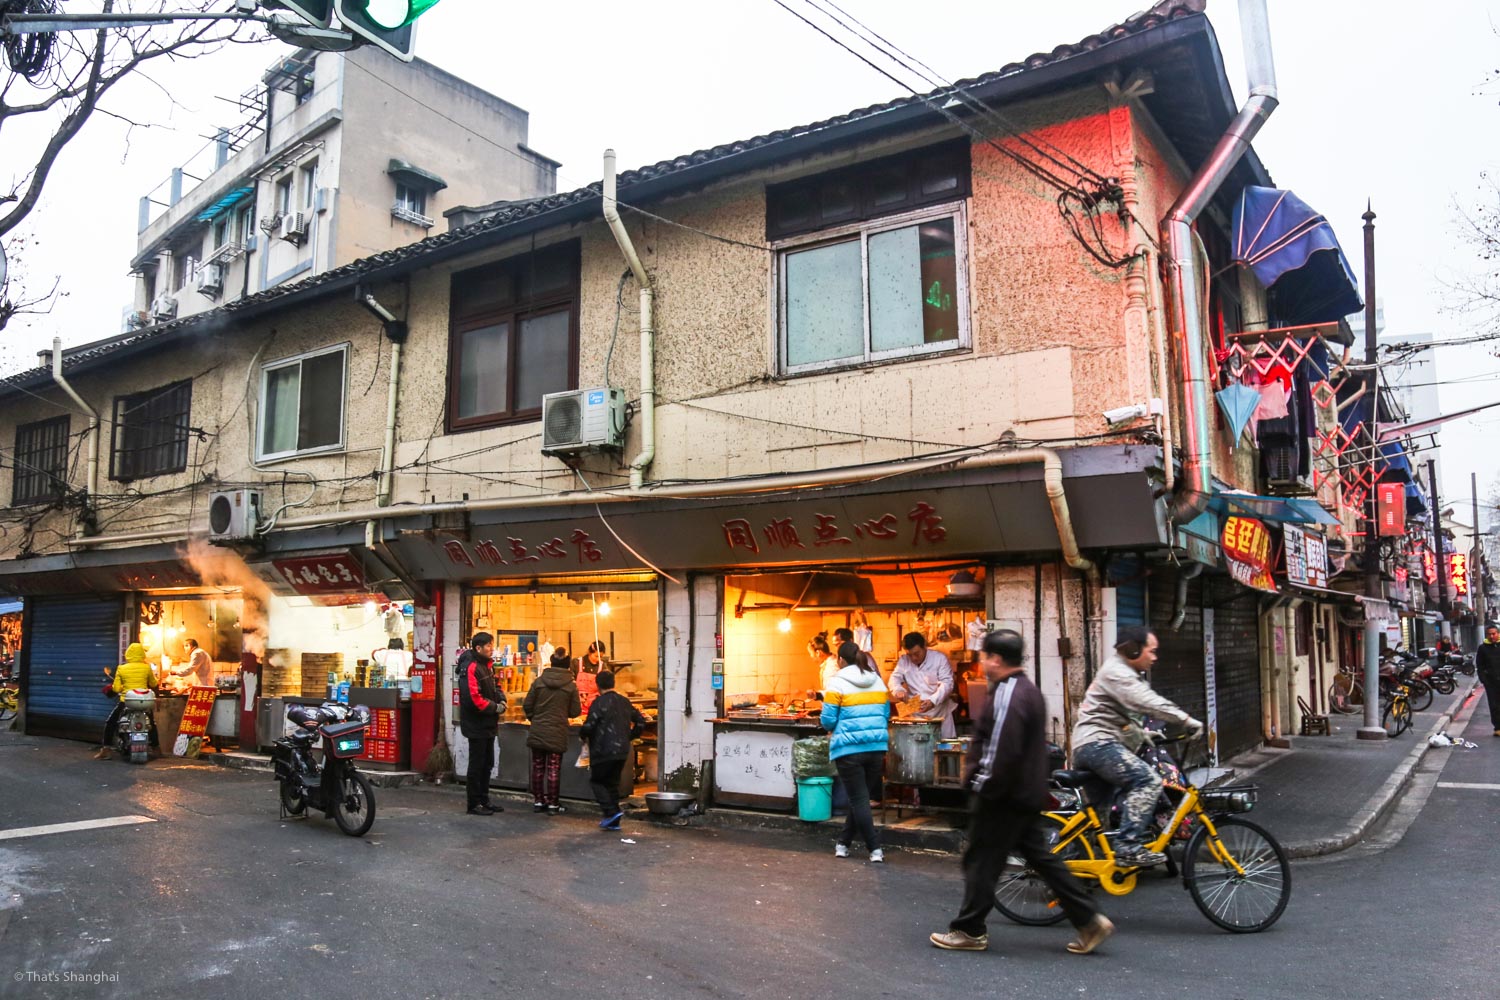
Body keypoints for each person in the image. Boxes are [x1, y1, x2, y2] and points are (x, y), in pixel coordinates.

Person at [930, 630, 1112, 955]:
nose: (982, 662)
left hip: (1002, 796)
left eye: (984, 656)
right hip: (1025, 792)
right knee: (1041, 859)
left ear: (996, 659)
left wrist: (977, 784)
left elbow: (1001, 750)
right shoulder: (1028, 690)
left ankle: (969, 930)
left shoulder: (1007, 693)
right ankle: (1089, 920)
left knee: (982, 861)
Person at [1070, 626, 1203, 867]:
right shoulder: (1118, 673)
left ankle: (1072, 869)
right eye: (1151, 651)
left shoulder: (1121, 672)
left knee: (1097, 818)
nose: (1155, 657)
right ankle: (1128, 848)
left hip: (1090, 745)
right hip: (1098, 744)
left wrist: (1142, 734)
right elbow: (1147, 701)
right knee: (1148, 781)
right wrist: (1185, 719)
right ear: (1133, 650)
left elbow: (1116, 714)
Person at [820, 640, 890, 862]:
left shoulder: (837, 683)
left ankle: (875, 848)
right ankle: (843, 843)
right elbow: (886, 713)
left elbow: (828, 721)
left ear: (840, 660)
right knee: (860, 798)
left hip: (849, 749)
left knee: (859, 799)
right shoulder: (877, 681)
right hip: (876, 747)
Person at [579, 669, 647, 830]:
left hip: (602, 749)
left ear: (598, 685)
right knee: (612, 783)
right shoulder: (624, 701)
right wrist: (629, 736)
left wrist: (582, 735)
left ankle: (610, 812)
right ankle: (614, 819)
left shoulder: (599, 703)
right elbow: (641, 721)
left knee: (597, 781)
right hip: (622, 750)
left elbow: (589, 725)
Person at [525, 647, 582, 814]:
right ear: (567, 665)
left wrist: (534, 719)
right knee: (553, 767)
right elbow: (575, 712)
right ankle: (552, 804)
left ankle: (538, 801)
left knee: (537, 766)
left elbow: (527, 705)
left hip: (538, 729)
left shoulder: (538, 681)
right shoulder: (571, 686)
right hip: (557, 730)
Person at [456, 632, 506, 816]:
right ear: (478, 648)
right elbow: (473, 699)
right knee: (477, 765)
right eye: (488, 646)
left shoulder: (487, 665)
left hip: (488, 724)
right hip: (476, 723)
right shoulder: (470, 667)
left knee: (487, 763)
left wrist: (502, 699)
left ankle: (484, 800)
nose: (491, 648)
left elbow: (495, 687)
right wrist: (495, 708)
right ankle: (473, 803)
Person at [94, 642, 160, 760]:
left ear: (128, 654)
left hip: (127, 701)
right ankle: (156, 749)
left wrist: (123, 687)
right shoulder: (146, 667)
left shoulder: (122, 668)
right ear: (142, 654)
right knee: (152, 724)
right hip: (144, 702)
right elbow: (153, 683)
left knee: (111, 722)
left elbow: (116, 688)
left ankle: (106, 750)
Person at [889, 632, 957, 738]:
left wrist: (932, 701)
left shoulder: (939, 659)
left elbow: (948, 683)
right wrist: (898, 690)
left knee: (944, 750)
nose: (913, 658)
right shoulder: (903, 661)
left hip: (939, 714)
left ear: (924, 647)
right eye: (909, 655)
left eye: (917, 653)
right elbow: (894, 678)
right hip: (915, 716)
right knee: (918, 751)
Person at [1476, 624, 1500, 738]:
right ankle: (1498, 727)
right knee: (1494, 704)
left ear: (1498, 633)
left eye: (1494, 633)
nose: (1491, 636)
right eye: (1489, 634)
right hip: (1491, 682)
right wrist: (1484, 680)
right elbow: (1479, 665)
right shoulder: (1483, 648)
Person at [573, 641, 608, 715]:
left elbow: (606, 687)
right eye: (596, 656)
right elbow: (570, 683)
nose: (598, 659)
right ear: (589, 652)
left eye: (600, 657)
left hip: (595, 707)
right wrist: (576, 697)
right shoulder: (576, 663)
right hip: (578, 706)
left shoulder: (602, 666)